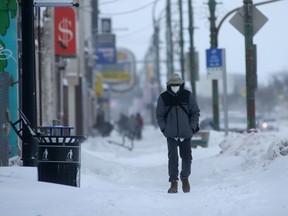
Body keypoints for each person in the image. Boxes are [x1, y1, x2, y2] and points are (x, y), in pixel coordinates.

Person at [156, 73, 200, 193]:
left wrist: (191, 128)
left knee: (187, 157)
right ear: (169, 85)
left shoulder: (187, 95)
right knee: (173, 158)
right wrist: (165, 129)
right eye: (173, 84)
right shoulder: (163, 97)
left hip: (186, 133)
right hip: (170, 134)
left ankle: (185, 177)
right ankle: (173, 183)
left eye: (177, 84)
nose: (175, 86)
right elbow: (159, 116)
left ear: (181, 84)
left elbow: (195, 112)